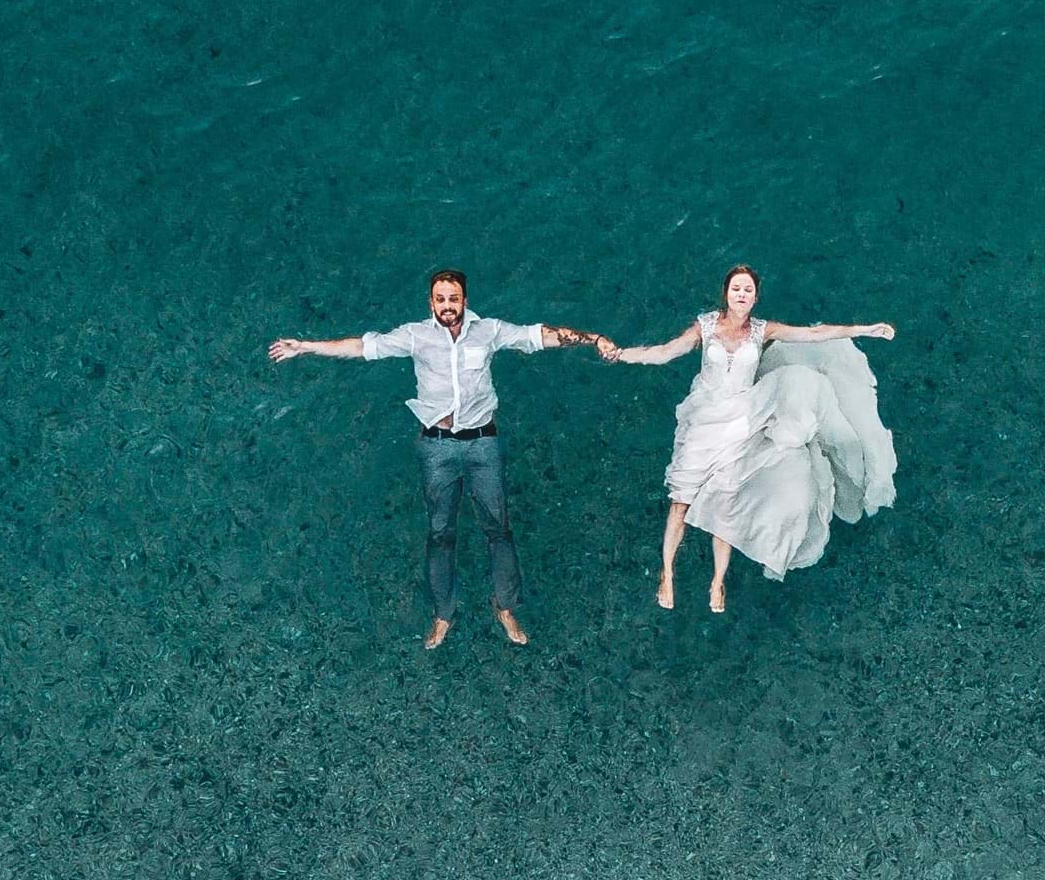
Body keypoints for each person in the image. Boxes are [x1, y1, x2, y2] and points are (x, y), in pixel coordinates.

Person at [269, 269, 609, 648]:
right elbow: (364, 348)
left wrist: (591, 339)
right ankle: (443, 613)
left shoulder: (489, 331)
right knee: (440, 533)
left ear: (465, 300)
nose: (448, 306)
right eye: (441, 299)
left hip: (483, 443)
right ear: (431, 302)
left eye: (454, 298)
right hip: (437, 447)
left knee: (499, 529)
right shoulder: (415, 336)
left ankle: (506, 606)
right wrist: (306, 346)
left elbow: (539, 335)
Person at [599, 265, 897, 613]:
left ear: (755, 298)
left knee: (726, 497)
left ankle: (717, 581)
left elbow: (813, 335)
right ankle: (666, 574)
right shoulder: (706, 326)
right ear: (725, 292)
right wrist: (622, 355)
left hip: (741, 418)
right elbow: (666, 351)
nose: (742, 294)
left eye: (748, 290)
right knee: (680, 499)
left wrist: (867, 329)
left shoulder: (761, 330)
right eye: (736, 288)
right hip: (705, 418)